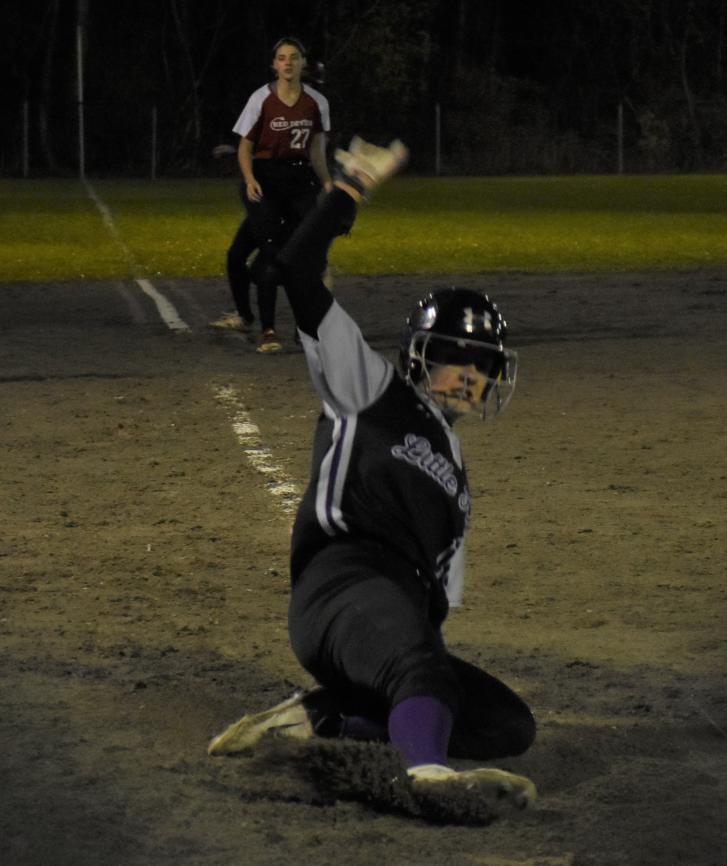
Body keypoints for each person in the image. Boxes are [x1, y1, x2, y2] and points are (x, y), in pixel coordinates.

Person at [207, 138, 538, 809]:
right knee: (419, 665)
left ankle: (317, 720)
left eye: (484, 365)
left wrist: (416, 671)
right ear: (420, 357)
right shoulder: (372, 389)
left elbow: (436, 607)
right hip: (341, 585)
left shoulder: (458, 484)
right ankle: (427, 779)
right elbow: (295, 270)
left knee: (505, 723)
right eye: (454, 356)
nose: (471, 376)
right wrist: (348, 186)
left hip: (393, 617)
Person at [211, 36, 333, 352]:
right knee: (264, 255)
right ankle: (265, 328)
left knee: (303, 257)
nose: (288, 62)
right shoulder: (260, 98)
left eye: (294, 56)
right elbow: (246, 147)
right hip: (266, 180)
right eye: (282, 57)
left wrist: (328, 184)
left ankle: (305, 326)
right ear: (274, 64)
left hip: (300, 183)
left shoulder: (317, 102)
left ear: (303, 62)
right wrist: (250, 178)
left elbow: (317, 150)